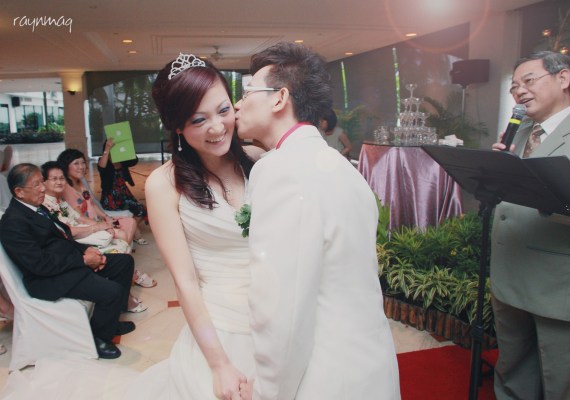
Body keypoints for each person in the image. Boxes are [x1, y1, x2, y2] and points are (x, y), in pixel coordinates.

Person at [234, 42, 400, 400]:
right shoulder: (346, 169)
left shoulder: (280, 171)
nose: (237, 104)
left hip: (322, 375)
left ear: (279, 98)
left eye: (247, 93)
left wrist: (265, 391)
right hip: (371, 364)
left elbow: (282, 306)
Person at [124, 53, 260, 400]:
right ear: (178, 127)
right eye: (199, 119)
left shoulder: (260, 161)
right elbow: (185, 282)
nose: (217, 127)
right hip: (223, 327)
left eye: (223, 110)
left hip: (278, 314)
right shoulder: (164, 184)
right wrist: (219, 364)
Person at [491, 51, 570, 399]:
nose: (519, 91)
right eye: (514, 87)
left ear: (562, 78)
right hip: (511, 277)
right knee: (513, 376)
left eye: (529, 81)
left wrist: (555, 197)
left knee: (566, 386)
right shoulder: (519, 133)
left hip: (562, 288)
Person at [0, 163, 136, 359]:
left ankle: (111, 322)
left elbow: (63, 236)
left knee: (124, 263)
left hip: (66, 264)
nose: (43, 189)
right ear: (19, 191)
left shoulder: (37, 208)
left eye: (42, 182)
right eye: (37, 185)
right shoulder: (13, 223)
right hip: (47, 279)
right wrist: (83, 260)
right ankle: (98, 338)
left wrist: (86, 250)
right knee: (112, 292)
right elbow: (40, 264)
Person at [40, 161, 147, 313]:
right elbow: (66, 231)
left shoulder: (60, 199)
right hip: (74, 242)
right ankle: (124, 294)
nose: (59, 182)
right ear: (43, 182)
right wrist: (97, 227)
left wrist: (102, 225)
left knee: (120, 240)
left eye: (61, 178)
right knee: (120, 247)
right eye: (54, 179)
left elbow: (79, 217)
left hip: (82, 232)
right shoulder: (45, 205)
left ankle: (123, 291)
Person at [57, 148, 157, 289]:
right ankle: (129, 271)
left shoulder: (80, 182)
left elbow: (92, 204)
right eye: (76, 163)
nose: (81, 167)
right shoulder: (67, 188)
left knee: (130, 222)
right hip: (88, 227)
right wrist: (103, 225)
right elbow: (80, 218)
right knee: (122, 234)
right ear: (66, 166)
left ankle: (120, 263)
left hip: (98, 220)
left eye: (83, 163)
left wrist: (106, 217)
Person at [97, 138, 149, 245]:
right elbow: (101, 167)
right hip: (111, 198)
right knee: (139, 209)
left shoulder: (122, 160)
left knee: (142, 209)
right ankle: (136, 234)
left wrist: (127, 147)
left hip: (124, 193)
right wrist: (107, 148)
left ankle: (132, 229)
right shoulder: (103, 160)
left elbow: (134, 160)